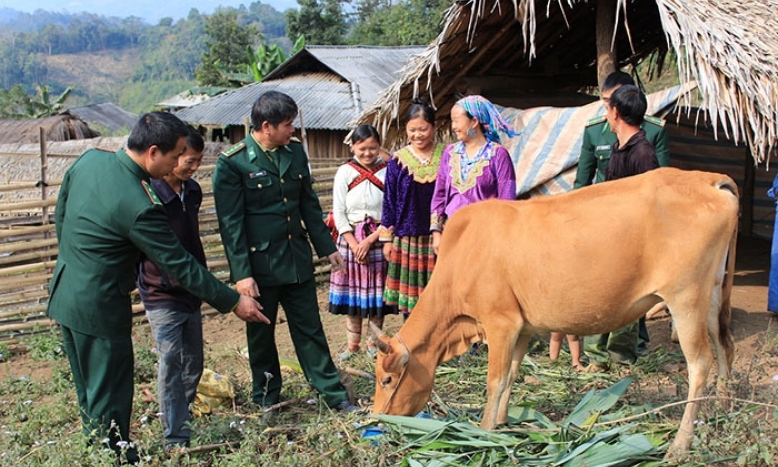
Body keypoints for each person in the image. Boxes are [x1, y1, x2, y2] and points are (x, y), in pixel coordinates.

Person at [47, 112, 268, 464]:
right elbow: (179, 264)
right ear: (153, 152)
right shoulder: (140, 204)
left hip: (66, 292)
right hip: (100, 306)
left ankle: (95, 447)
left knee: (88, 389)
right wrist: (231, 301)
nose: (177, 164)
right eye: (174, 155)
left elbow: (62, 213)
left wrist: (75, 262)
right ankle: (114, 456)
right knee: (111, 391)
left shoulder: (90, 160)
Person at [212, 90, 357, 413]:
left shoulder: (293, 153)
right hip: (259, 268)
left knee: (310, 330)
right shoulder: (233, 163)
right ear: (267, 126)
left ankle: (333, 395)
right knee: (261, 336)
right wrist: (242, 275)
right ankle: (266, 399)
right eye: (288, 124)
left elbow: (307, 202)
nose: (293, 130)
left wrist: (326, 246)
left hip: (296, 260)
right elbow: (231, 225)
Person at [575, 70, 670, 362]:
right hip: (609, 230)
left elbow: (655, 191)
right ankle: (597, 355)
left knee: (627, 294)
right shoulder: (616, 143)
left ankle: (621, 355)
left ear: (618, 110)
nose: (605, 111)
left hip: (629, 235)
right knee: (602, 291)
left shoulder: (643, 148)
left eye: (608, 105)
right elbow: (587, 182)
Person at [136, 126, 207, 450]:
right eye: (188, 161)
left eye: (196, 162)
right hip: (161, 291)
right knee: (171, 362)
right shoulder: (148, 193)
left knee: (194, 363)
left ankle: (180, 416)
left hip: (192, 289)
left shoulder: (192, 192)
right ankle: (174, 437)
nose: (192, 168)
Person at [328, 124, 395, 360]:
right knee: (353, 295)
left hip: (379, 238)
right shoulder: (345, 172)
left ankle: (372, 344)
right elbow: (338, 212)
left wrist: (370, 239)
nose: (367, 153)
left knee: (377, 295)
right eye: (362, 148)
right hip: (349, 241)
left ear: (379, 146)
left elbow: (392, 210)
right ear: (353, 146)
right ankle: (352, 346)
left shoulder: (389, 171)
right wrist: (355, 244)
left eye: (373, 148)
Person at [430, 94, 518, 254]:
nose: (453, 127)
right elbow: (439, 195)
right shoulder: (449, 153)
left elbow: (508, 201)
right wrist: (436, 233)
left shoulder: (498, 155)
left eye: (457, 120)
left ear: (474, 121)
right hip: (451, 235)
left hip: (484, 238)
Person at [381, 98, 444, 318]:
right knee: (413, 298)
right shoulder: (397, 161)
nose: (418, 135)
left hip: (440, 236)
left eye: (423, 129)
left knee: (443, 291)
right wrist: (387, 239)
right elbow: (389, 200)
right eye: (412, 130)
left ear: (434, 127)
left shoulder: (447, 156)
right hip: (407, 237)